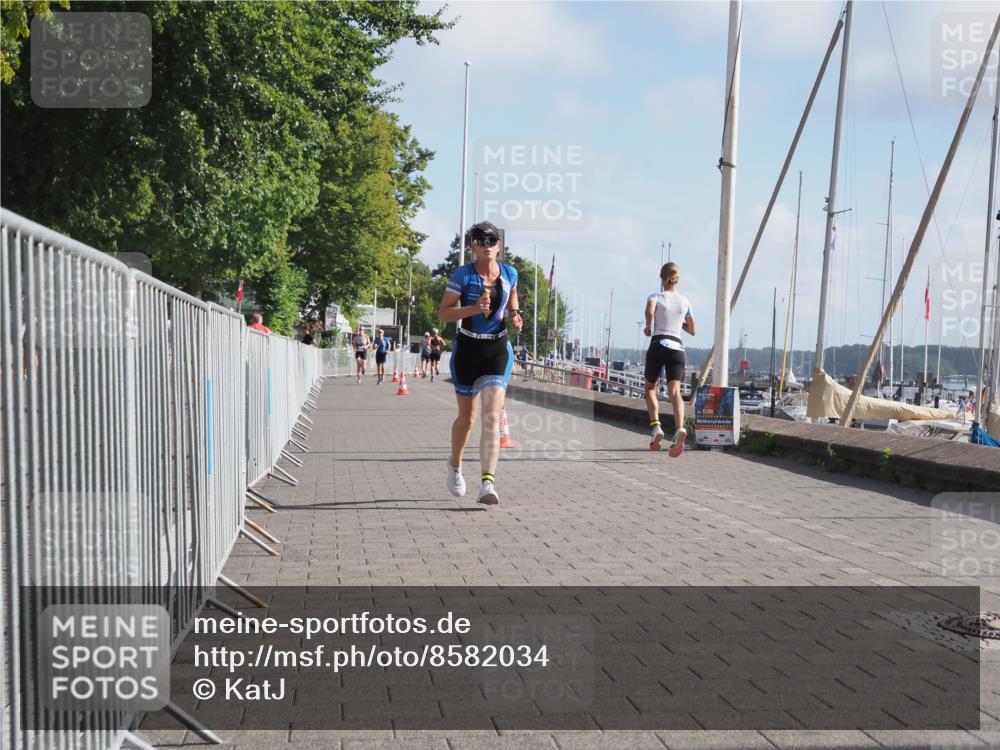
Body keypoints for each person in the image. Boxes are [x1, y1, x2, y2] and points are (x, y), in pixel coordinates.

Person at [438, 221, 522, 505]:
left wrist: (515, 315)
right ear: (473, 246)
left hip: (497, 349)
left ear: (499, 246)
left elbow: (512, 299)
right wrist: (474, 308)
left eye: (491, 241)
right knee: (468, 418)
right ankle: (455, 465)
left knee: (491, 416)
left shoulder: (510, 272)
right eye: (480, 241)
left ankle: (488, 483)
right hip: (468, 349)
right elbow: (444, 314)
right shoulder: (463, 275)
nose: (486, 246)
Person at [643, 261, 696, 457]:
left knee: (650, 388)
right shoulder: (685, 302)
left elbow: (650, 309)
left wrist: (649, 325)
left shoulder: (655, 296)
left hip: (658, 344)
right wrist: (678, 322)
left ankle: (656, 427)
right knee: (676, 392)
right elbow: (693, 330)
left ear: (662, 279)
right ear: (677, 279)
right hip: (677, 348)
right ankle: (680, 427)